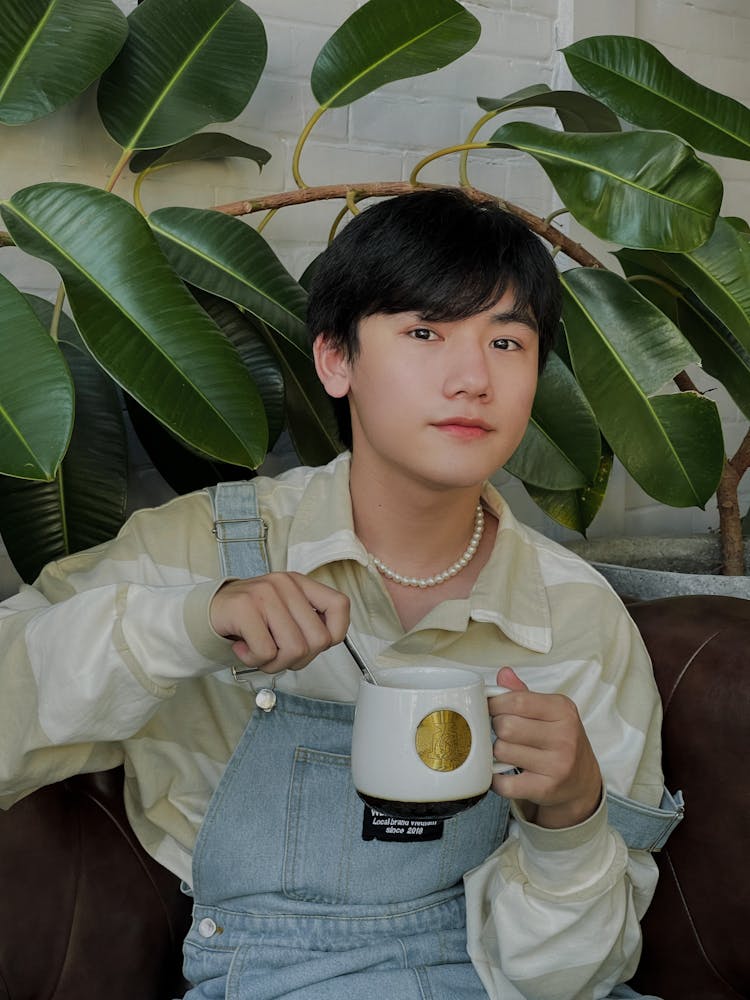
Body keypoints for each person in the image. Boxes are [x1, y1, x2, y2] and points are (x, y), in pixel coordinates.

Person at [0, 189, 677, 1000]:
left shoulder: (576, 611)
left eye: (508, 341)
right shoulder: (204, 548)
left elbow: (575, 978)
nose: (472, 380)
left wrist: (571, 818)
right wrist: (191, 623)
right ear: (334, 359)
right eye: (424, 332)